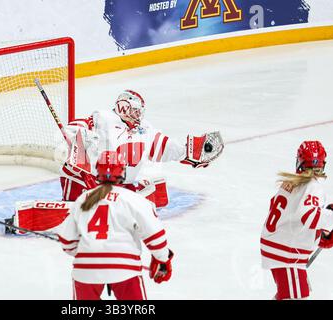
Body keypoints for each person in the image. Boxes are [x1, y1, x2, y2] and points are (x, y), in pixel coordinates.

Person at [60, 89, 224, 204]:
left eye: (140, 112)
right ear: (123, 107)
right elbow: (76, 127)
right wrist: (80, 134)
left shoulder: (144, 128)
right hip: (90, 182)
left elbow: (163, 146)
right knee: (74, 173)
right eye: (135, 111)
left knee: (151, 189)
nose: (138, 115)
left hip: (118, 185)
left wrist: (187, 152)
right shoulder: (104, 118)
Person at [57, 150, 174, 300]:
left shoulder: (83, 199)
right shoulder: (133, 199)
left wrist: (87, 251)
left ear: (97, 171)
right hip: (124, 269)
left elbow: (67, 242)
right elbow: (155, 235)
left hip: (85, 270)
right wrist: (162, 259)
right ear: (123, 172)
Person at [260, 140, 333, 300]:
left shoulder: (292, 181)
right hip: (286, 252)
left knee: (292, 294)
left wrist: (321, 234)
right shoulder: (313, 186)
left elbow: (292, 217)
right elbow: (308, 215)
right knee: (296, 296)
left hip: (279, 246)